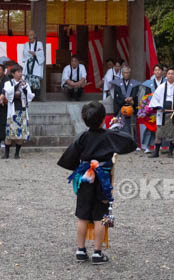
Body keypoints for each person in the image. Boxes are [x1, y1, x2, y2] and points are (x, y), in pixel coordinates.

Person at [58, 101, 136, 264]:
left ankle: (80, 250)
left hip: (86, 178)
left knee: (82, 215)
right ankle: (97, 252)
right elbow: (130, 143)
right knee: (101, 215)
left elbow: (69, 158)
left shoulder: (83, 136)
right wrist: (117, 129)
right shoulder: (109, 135)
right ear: (103, 119)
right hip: (102, 180)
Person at [147, 67, 174, 158]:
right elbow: (155, 99)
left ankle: (170, 152)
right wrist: (159, 107)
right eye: (168, 73)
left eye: (172, 74)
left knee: (173, 134)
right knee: (159, 133)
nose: (170, 75)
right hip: (162, 113)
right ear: (166, 75)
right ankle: (156, 152)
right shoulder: (161, 87)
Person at [3, 63, 34, 159]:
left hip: (22, 110)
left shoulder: (25, 83)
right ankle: (6, 153)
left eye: (21, 72)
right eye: (18, 72)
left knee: (22, 134)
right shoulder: (8, 83)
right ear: (13, 73)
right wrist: (17, 86)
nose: (20, 74)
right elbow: (8, 93)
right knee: (9, 133)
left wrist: (24, 89)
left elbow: (30, 96)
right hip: (13, 111)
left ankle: (17, 153)